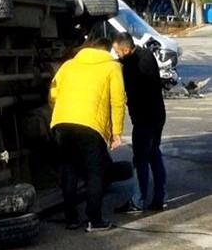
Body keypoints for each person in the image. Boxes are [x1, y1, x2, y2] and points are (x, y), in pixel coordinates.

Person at [49, 37, 126, 232]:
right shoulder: (112, 67)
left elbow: (53, 92)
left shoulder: (68, 65)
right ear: (107, 51)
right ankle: (94, 219)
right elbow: (117, 101)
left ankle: (71, 219)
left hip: (62, 122)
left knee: (70, 170)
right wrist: (116, 132)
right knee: (95, 172)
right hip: (91, 125)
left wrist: (59, 112)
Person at [112, 32, 167, 214]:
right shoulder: (147, 55)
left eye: (117, 52)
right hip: (158, 115)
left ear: (126, 49)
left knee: (140, 160)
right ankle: (160, 198)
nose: (116, 55)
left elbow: (124, 93)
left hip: (144, 119)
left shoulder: (130, 65)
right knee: (154, 154)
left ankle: (137, 201)